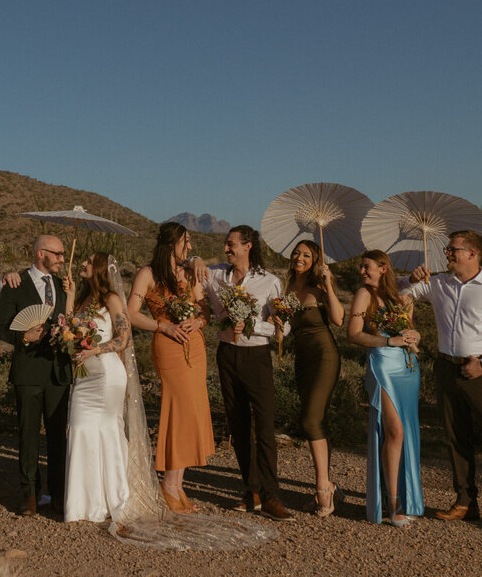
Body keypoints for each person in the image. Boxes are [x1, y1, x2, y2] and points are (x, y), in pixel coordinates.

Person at [406, 230, 482, 534]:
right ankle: (465, 502)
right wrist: (411, 279)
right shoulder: (438, 284)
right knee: (456, 437)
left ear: (472, 253)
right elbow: (399, 293)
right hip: (446, 369)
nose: (446, 254)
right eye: (447, 250)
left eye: (452, 250)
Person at [199, 225, 293, 521]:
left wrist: (253, 326)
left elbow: (284, 328)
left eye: (231, 244)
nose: (226, 249)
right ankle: (250, 490)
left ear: (248, 246)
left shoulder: (270, 282)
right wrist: (195, 261)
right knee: (237, 427)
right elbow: (190, 267)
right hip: (226, 355)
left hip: (256, 356)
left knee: (264, 427)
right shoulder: (215, 275)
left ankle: (272, 496)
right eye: (226, 245)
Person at [125, 221, 213, 514]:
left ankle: (177, 485)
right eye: (185, 241)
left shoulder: (191, 272)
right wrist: (162, 326)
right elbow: (130, 314)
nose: (189, 247)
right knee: (177, 411)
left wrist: (198, 321)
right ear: (171, 243)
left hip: (195, 345)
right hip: (168, 346)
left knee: (192, 412)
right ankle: (168, 484)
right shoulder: (147, 274)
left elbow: (205, 308)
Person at [0, 234, 72, 517]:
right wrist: (24, 337)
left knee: (58, 437)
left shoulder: (64, 287)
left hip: (59, 371)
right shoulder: (16, 284)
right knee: (28, 435)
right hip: (28, 371)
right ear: (41, 254)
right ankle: (28, 493)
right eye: (58, 254)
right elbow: (3, 329)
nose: (62, 259)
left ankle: (59, 494)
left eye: (64, 254)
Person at [346, 250, 423, 527]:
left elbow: (412, 338)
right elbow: (353, 334)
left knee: (406, 433)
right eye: (361, 267)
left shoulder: (402, 297)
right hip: (382, 366)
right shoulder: (363, 295)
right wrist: (389, 343)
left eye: (366, 267)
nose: (362, 271)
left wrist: (414, 336)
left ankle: (407, 498)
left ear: (383, 268)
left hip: (407, 367)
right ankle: (392, 504)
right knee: (394, 431)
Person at [64, 252, 132, 522]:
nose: (83, 264)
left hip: (106, 374)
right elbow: (69, 326)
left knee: (105, 431)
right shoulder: (83, 299)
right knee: (80, 430)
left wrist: (95, 351)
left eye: (90, 262)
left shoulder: (111, 299)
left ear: (101, 269)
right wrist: (69, 295)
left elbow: (124, 338)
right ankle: (82, 504)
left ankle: (113, 498)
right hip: (83, 377)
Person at [285, 239, 345, 516]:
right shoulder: (285, 289)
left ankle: (324, 487)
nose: (300, 257)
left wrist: (329, 284)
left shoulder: (319, 288)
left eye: (306, 254)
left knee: (310, 419)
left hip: (324, 356)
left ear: (315, 260)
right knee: (317, 420)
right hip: (302, 359)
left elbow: (338, 319)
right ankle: (325, 484)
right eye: (297, 252)